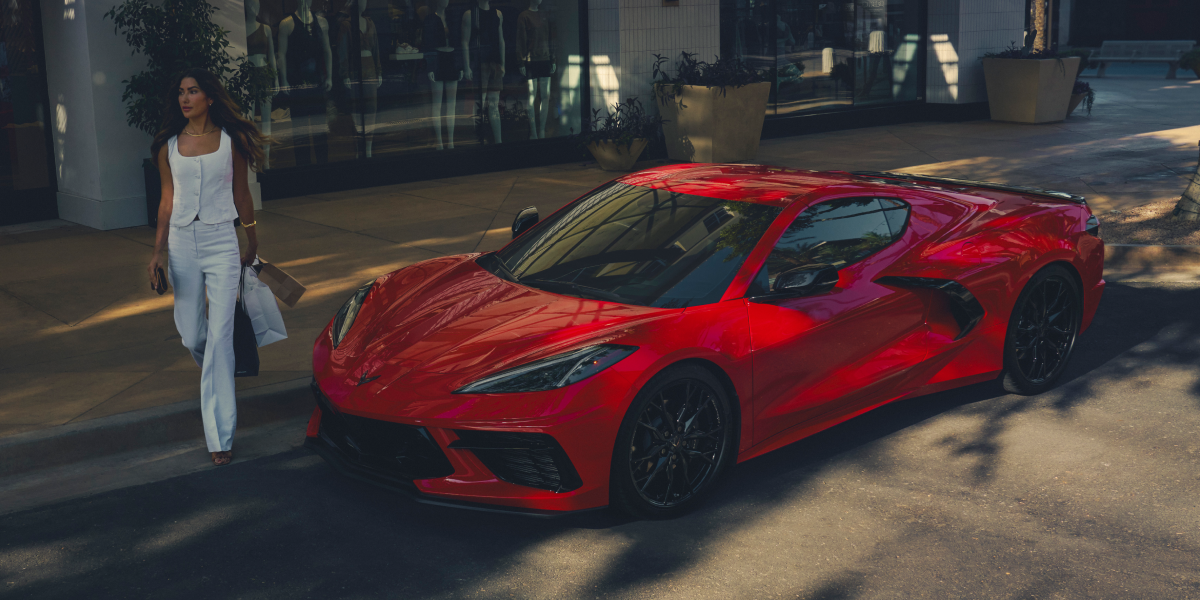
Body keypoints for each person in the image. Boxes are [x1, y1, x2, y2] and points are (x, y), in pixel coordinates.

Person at [146, 68, 268, 467]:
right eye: (181, 92)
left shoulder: (231, 142)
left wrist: (252, 240)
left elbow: (242, 195)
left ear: (209, 98)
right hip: (182, 244)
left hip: (221, 243)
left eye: (193, 91)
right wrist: (158, 252)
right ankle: (219, 371)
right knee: (193, 336)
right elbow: (166, 202)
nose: (185, 98)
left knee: (219, 337)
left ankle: (220, 436)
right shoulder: (168, 146)